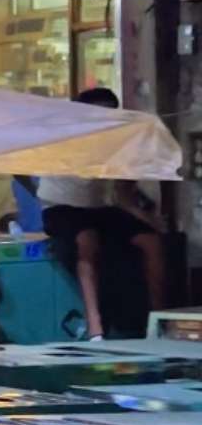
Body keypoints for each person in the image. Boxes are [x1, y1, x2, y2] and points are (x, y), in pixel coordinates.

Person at [35, 88, 166, 338]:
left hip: (101, 208)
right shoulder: (64, 140)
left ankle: (158, 319)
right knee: (87, 240)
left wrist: (149, 220)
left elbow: (122, 192)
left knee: (151, 242)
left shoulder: (118, 144)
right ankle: (96, 327)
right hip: (62, 207)